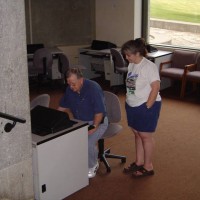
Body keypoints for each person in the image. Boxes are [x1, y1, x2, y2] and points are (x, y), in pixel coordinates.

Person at [121, 38, 161, 178]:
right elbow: (131, 85)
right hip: (132, 104)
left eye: (128, 55)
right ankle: (139, 161)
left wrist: (148, 106)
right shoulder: (132, 64)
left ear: (138, 53)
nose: (126, 57)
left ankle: (148, 166)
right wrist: (129, 101)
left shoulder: (149, 67)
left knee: (145, 136)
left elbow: (155, 87)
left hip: (146, 105)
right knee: (137, 134)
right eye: (125, 55)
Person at [57, 67, 108, 178]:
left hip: (98, 121)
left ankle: (93, 165)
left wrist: (94, 126)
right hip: (80, 122)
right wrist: (53, 119)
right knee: (67, 139)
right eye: (68, 83)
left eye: (73, 84)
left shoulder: (93, 88)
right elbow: (62, 106)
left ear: (81, 80)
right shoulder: (70, 89)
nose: (71, 87)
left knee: (88, 143)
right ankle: (79, 162)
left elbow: (99, 112)